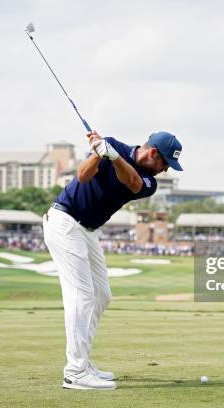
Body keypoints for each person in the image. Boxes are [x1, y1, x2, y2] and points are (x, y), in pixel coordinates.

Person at [43, 130, 183, 390]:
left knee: (101, 295)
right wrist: (98, 152)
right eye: (165, 163)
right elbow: (83, 176)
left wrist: (115, 157)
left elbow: (132, 182)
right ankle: (75, 372)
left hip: (88, 231)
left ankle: (83, 362)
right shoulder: (112, 145)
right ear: (153, 153)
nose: (165, 171)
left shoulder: (149, 182)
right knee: (82, 295)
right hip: (65, 222)